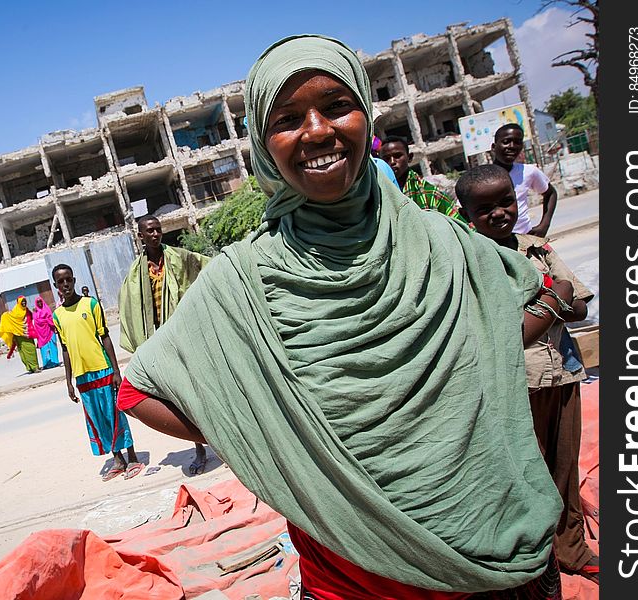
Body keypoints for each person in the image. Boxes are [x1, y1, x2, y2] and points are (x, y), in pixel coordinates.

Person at [118, 35, 574, 598]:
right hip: (353, 579)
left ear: (366, 112)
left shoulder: (442, 244)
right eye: (287, 118)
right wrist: (258, 428)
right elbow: (136, 391)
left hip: (498, 554)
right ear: (263, 146)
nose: (316, 131)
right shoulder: (239, 281)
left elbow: (533, 296)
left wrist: (494, 349)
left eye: (337, 106)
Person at [456, 164, 598, 584]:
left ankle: (571, 548)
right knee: (525, 475)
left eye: (505, 202)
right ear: (468, 216)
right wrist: (554, 295)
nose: (499, 213)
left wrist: (553, 300)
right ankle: (535, 560)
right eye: (485, 209)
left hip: (564, 374)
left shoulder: (537, 248)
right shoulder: (471, 263)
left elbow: (580, 307)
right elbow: (506, 333)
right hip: (516, 386)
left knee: (564, 465)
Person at [119, 214, 212, 475]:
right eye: (149, 231)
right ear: (140, 236)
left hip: (184, 338)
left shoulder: (179, 259)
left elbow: (206, 267)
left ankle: (214, 442)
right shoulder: (136, 274)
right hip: (159, 344)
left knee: (199, 392)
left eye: (158, 229)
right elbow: (129, 306)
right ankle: (200, 447)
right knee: (178, 398)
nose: (155, 234)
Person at [52, 264, 142, 481]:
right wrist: (68, 382)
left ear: (73, 280)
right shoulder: (57, 316)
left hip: (102, 369)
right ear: (56, 286)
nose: (65, 285)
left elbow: (105, 337)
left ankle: (132, 457)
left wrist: (116, 371)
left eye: (68, 280)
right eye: (60, 282)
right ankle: (117, 459)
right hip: (82, 377)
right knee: (98, 418)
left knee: (115, 414)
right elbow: (64, 349)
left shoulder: (90, 305)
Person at [380, 136, 466, 223]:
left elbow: (458, 224)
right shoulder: (379, 195)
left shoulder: (430, 193)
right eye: (386, 158)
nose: (392, 162)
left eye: (397, 156)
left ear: (409, 157)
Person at [491, 123, 557, 237]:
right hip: (495, 244)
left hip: (525, 238)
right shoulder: (482, 178)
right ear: (493, 147)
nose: (512, 146)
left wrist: (544, 225)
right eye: (506, 141)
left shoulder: (529, 172)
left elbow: (550, 193)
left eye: (517, 142)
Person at [0, 296, 40, 373]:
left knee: (32, 349)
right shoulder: (14, 312)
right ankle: (31, 367)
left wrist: (36, 312)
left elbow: (31, 317)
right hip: (19, 335)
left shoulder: (27, 310)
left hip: (28, 334)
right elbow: (7, 317)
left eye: (25, 301)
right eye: (22, 301)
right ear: (18, 302)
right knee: (23, 352)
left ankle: (35, 366)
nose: (24, 303)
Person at [32, 297, 61, 369]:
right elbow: (36, 322)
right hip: (41, 334)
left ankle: (55, 362)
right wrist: (45, 321)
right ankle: (47, 363)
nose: (40, 303)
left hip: (50, 331)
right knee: (44, 349)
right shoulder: (35, 313)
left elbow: (51, 319)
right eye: (38, 302)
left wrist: (46, 321)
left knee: (52, 346)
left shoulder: (47, 309)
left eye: (40, 301)